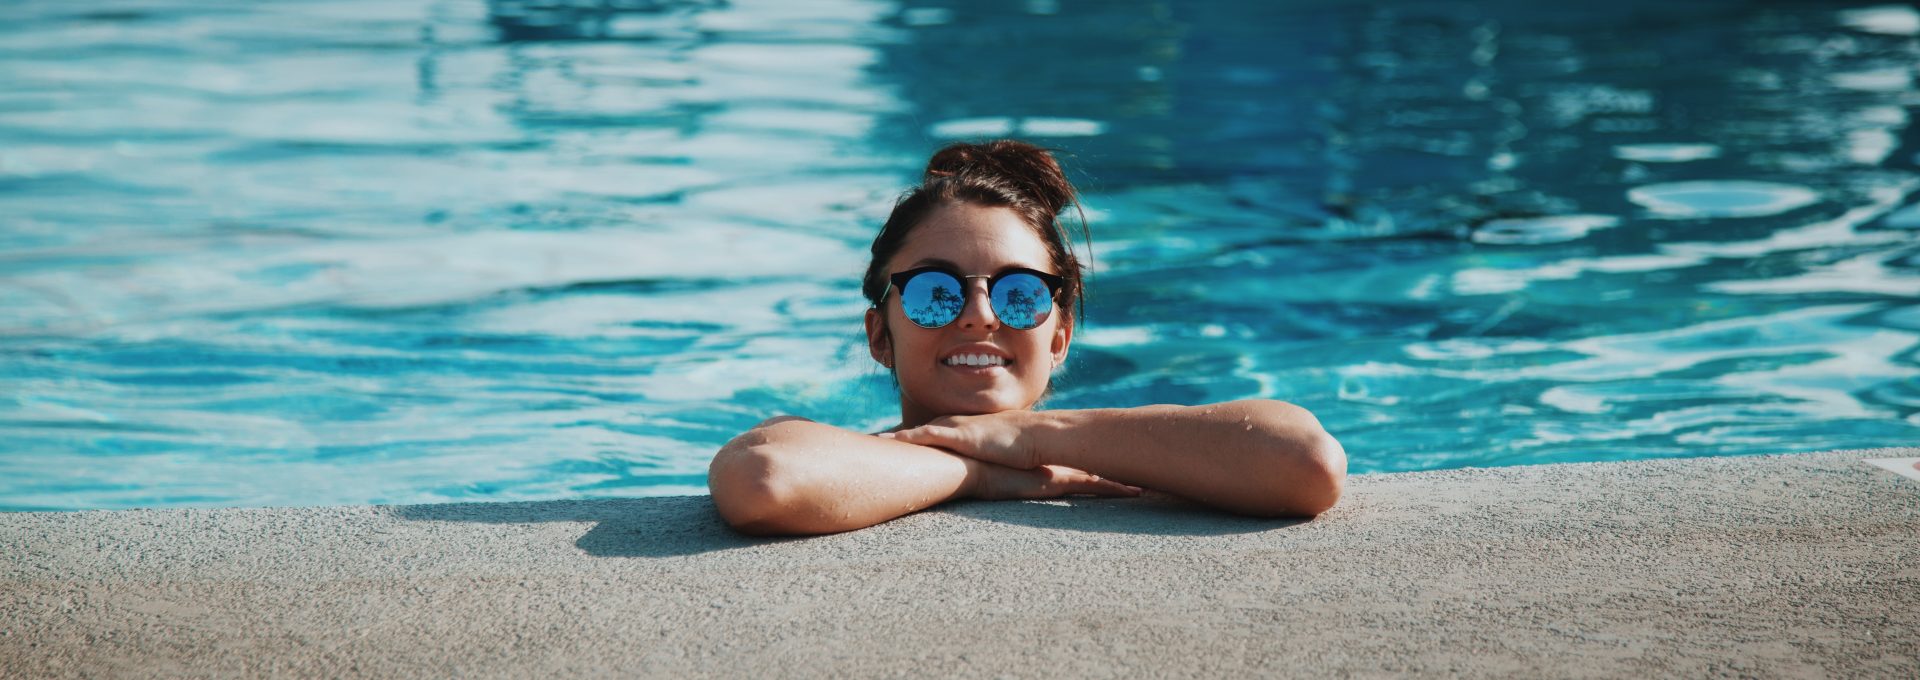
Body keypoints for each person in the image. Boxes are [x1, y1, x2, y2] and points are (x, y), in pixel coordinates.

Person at [707, 140, 1345, 536]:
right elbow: (766, 478)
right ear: (881, 335)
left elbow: (1305, 463)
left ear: (1059, 335)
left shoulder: (1149, 451)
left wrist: (1032, 437)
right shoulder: (833, 455)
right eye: (936, 292)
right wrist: (980, 474)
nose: (980, 315)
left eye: (1020, 294)